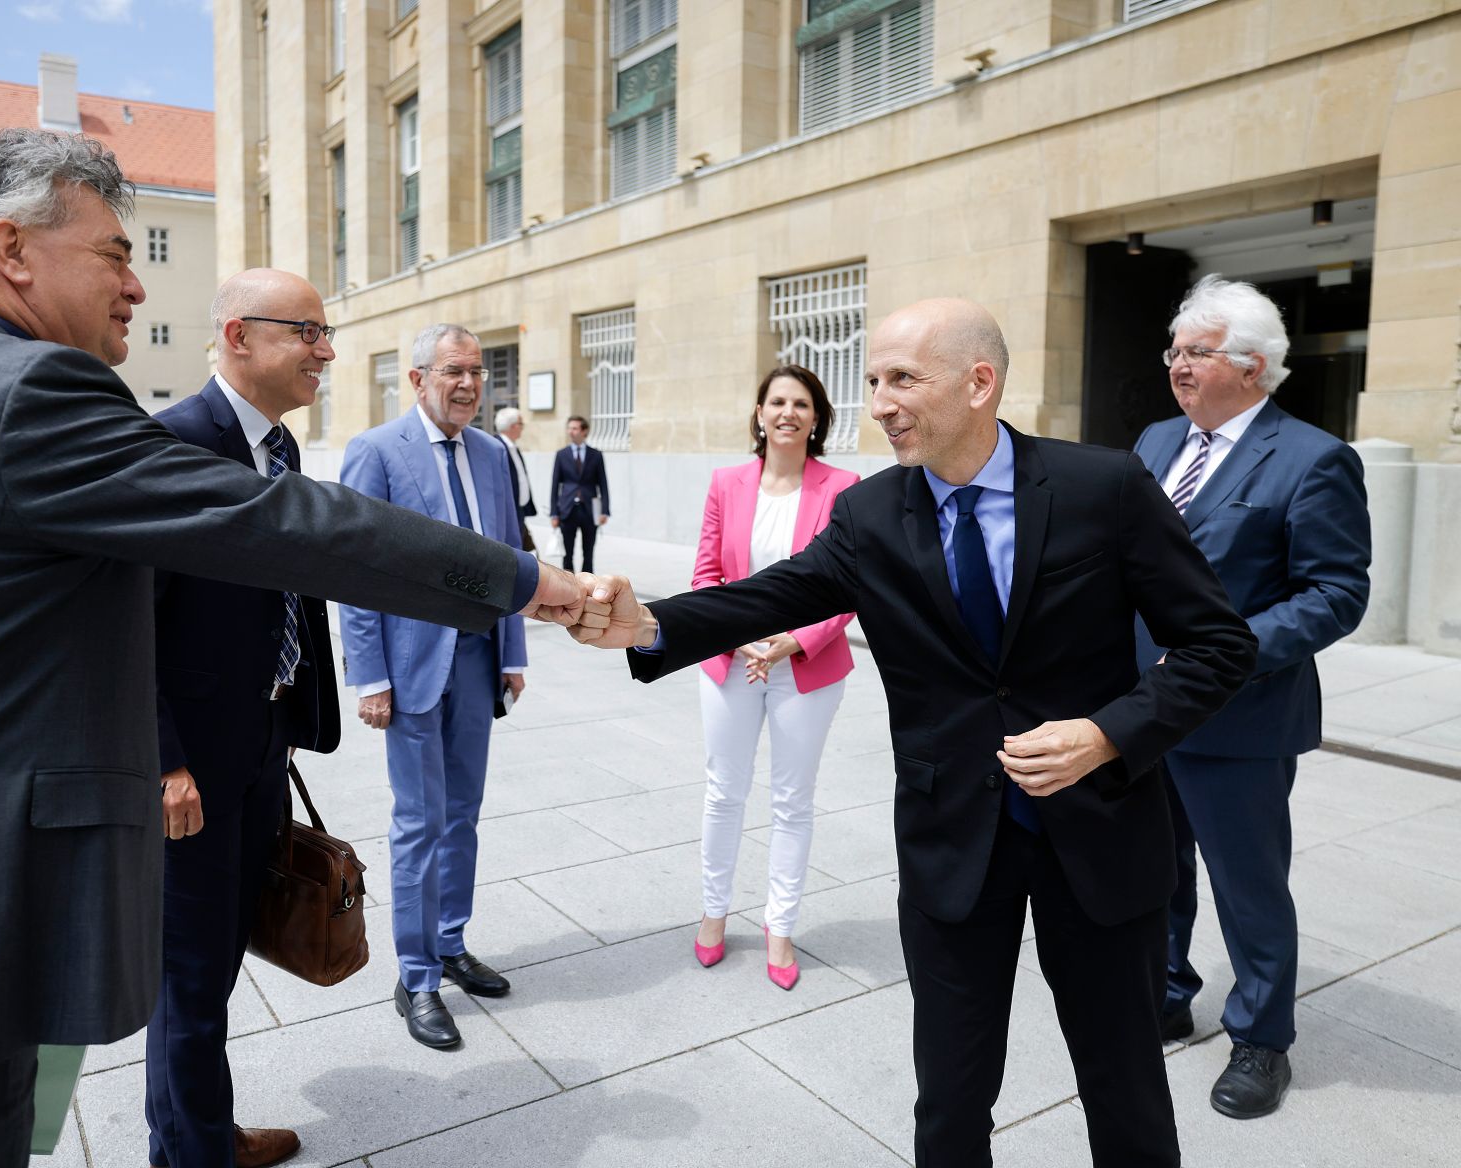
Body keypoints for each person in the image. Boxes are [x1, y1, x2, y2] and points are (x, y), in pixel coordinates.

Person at [0, 129, 590, 1168]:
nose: (134, 283)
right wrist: (535, 582)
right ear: (12, 250)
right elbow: (290, 525)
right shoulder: (27, 393)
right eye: (114, 252)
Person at [578, 299, 1258, 1168]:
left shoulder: (1105, 488)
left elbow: (1218, 645)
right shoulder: (872, 514)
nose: (880, 403)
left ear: (981, 383)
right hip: (952, 847)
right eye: (871, 382)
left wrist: (1106, 733)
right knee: (951, 1095)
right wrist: (648, 627)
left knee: (1124, 1085)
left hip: (1101, 836)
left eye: (903, 379)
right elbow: (771, 596)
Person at [1136, 275, 1370, 1119]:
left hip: (1240, 714)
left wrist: (1222, 654)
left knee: (1248, 886)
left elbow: (1335, 592)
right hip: (1142, 709)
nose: (1176, 367)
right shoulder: (1157, 442)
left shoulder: (1313, 459)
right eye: (1174, 351)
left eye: (1195, 352)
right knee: (1155, 871)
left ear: (1253, 364)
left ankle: (1262, 1039)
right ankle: (1165, 994)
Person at [142, 268, 346, 1168]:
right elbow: (124, 621)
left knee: (219, 960)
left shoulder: (282, 450)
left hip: (261, 743)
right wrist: (162, 761)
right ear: (236, 334)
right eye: (306, 331)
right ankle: (193, 1155)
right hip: (190, 766)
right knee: (188, 975)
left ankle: (194, 1136)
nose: (326, 351)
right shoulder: (173, 444)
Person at [339, 324, 526, 1050]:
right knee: (418, 822)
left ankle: (449, 942)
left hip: (477, 663)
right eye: (454, 371)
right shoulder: (378, 452)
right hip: (411, 670)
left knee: (464, 814)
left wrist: (513, 652)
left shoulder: (492, 453)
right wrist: (372, 676)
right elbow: (354, 573)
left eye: (478, 372)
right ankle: (416, 978)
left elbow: (511, 556)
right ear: (417, 380)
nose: (470, 385)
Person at [690, 365, 859, 989]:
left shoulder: (843, 488)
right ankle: (713, 914)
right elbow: (706, 573)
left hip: (806, 668)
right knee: (723, 791)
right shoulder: (726, 483)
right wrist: (734, 638)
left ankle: (779, 926)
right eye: (777, 401)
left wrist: (791, 642)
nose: (788, 412)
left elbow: (849, 586)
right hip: (729, 662)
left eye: (802, 404)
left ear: (817, 419)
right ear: (759, 413)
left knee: (792, 801)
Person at [550, 414, 610, 572]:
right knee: (567, 553)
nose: (571, 432)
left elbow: (603, 484)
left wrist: (605, 511)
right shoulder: (561, 454)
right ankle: (568, 587)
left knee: (588, 553)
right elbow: (555, 486)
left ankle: (588, 586)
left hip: (589, 511)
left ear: (584, 431)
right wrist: (554, 513)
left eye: (575, 428)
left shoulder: (595, 455)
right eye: (569, 428)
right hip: (567, 510)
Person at [494, 406, 538, 551]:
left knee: (525, 550)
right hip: (507, 511)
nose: (522, 428)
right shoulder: (496, 446)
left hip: (519, 509)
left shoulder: (513, 447)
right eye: (521, 424)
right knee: (513, 549)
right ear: (513, 426)